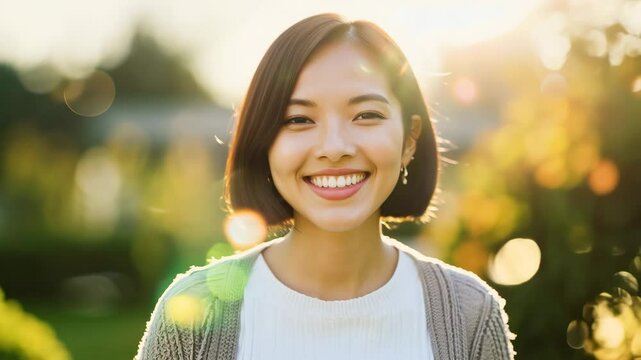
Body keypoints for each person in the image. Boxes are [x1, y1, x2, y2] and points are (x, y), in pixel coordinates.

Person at [136, 13, 515, 360]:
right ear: (264, 141)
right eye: (299, 120)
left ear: (410, 140)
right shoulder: (194, 315)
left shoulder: (469, 313)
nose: (334, 148)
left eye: (366, 115)